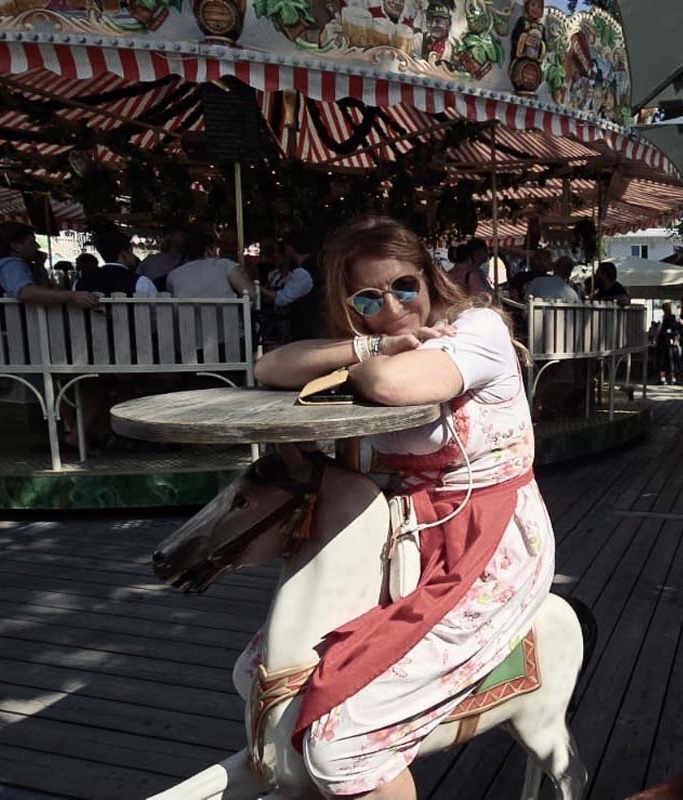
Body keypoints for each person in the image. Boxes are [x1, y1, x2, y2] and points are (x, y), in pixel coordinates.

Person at [248, 216, 554, 800]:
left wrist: (364, 364)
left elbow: (391, 386)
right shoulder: (382, 340)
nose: (391, 307)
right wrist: (371, 345)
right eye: (368, 297)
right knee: (265, 671)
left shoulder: (479, 328)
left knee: (344, 744)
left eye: (403, 287)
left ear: (429, 276)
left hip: (484, 539)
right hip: (396, 534)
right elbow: (269, 368)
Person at [0, 222, 97, 308]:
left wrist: (39, 265)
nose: (37, 247)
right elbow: (27, 292)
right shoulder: (9, 264)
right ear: (16, 246)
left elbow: (46, 291)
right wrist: (72, 296)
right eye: (32, 243)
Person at [165, 227, 256, 299]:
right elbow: (251, 294)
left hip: (187, 322)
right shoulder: (225, 265)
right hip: (227, 322)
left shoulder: (173, 275)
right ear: (209, 250)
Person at [260, 231, 318, 340]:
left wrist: (257, 287)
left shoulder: (302, 273)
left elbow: (282, 298)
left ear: (290, 248)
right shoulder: (313, 266)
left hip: (308, 329)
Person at [76, 230, 156, 297]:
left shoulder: (79, 283)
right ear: (123, 254)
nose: (134, 256)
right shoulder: (141, 282)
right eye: (131, 252)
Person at [137, 222, 188, 290]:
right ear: (169, 237)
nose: (185, 240)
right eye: (182, 237)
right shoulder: (150, 262)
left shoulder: (187, 263)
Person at [655, 302, 683, 385]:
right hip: (672, 341)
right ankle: (672, 379)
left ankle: (664, 379)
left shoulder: (665, 318)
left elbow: (659, 329)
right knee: (672, 360)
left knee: (664, 360)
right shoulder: (675, 318)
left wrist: (655, 339)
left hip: (665, 341)